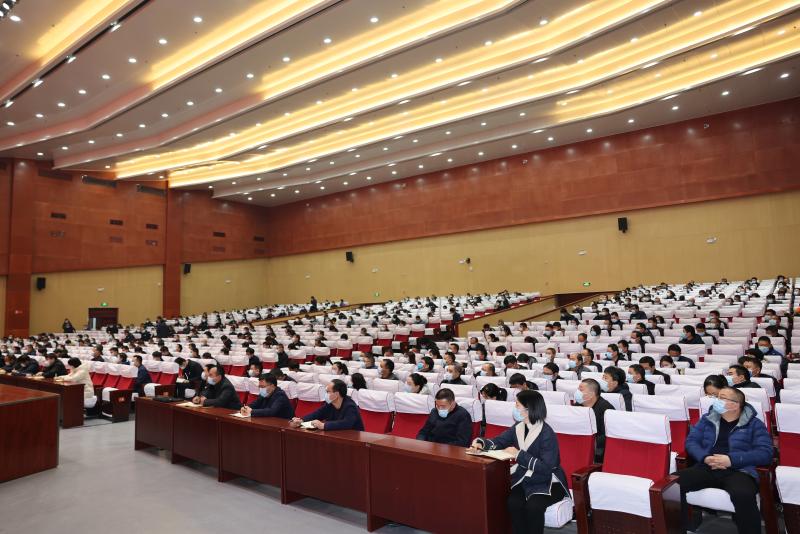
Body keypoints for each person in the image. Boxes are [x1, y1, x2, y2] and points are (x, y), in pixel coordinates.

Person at [469, 390, 570, 534]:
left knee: (534, 507)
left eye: (517, 405)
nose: (514, 408)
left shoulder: (547, 433)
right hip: (525, 477)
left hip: (548, 481)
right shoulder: (519, 427)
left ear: (529, 409)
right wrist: (481, 443)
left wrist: (518, 455)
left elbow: (547, 467)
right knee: (513, 503)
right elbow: (500, 441)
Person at [678, 387, 773, 534]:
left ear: (735, 405)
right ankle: (683, 528)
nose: (716, 401)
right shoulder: (708, 419)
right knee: (672, 485)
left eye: (721, 398)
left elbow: (765, 453)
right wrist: (705, 457)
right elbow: (691, 442)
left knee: (743, 495)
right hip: (707, 466)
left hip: (739, 470)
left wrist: (731, 460)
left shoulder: (754, 424)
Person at [290, 379, 364, 430]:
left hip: (354, 438)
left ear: (336, 394)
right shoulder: (330, 404)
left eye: (328, 392)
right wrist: (301, 420)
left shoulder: (350, 406)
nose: (326, 394)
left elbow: (347, 423)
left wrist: (324, 425)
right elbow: (317, 414)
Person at [574, 378, 614, 462]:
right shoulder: (577, 406)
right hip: (577, 444)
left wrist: (587, 441)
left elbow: (605, 437)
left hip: (597, 450)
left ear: (591, 394)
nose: (577, 392)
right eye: (578, 389)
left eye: (581, 390)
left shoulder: (606, 409)